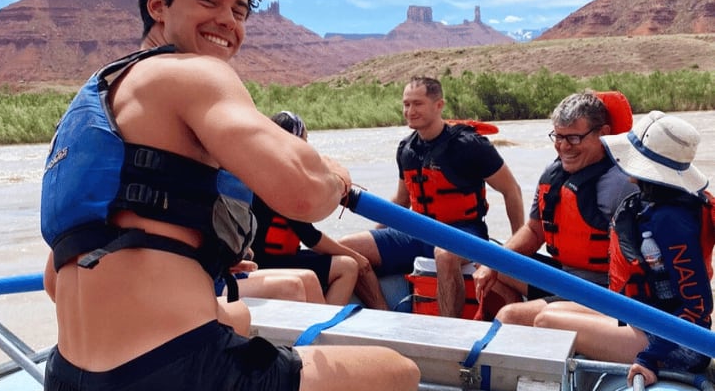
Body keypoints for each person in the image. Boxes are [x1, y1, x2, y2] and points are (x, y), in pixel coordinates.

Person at [39, 0, 420, 391]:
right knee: (399, 374)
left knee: (236, 318)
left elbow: (55, 279)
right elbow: (303, 193)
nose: (228, 20)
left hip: (69, 389)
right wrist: (336, 178)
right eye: (208, 0)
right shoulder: (194, 73)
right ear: (157, 4)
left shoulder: (96, 101)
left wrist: (187, 260)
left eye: (239, 10)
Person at [534, 111, 714, 386]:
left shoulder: (670, 220)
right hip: (646, 319)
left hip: (677, 344)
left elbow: (698, 305)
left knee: (546, 323)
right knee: (545, 314)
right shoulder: (654, 205)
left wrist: (649, 358)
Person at [340, 76, 525, 318]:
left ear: (439, 105)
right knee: (346, 247)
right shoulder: (406, 149)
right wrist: (377, 233)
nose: (409, 111)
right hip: (418, 232)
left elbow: (511, 190)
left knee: (445, 254)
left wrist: (516, 249)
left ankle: (449, 328)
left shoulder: (469, 145)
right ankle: (383, 314)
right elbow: (401, 201)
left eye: (417, 104)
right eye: (406, 104)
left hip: (465, 231)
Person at [473, 91, 638, 326]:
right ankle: (525, 319)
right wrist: (493, 262)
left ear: (603, 134)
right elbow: (533, 231)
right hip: (563, 277)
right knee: (487, 265)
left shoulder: (621, 185)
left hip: (601, 291)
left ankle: (525, 323)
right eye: (558, 137)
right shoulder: (552, 175)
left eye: (573, 138)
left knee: (509, 316)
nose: (563, 147)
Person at [248, 111, 369, 305]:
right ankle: (326, 327)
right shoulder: (286, 181)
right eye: (305, 139)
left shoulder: (258, 172)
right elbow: (311, 238)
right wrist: (354, 256)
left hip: (263, 259)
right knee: (347, 266)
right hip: (269, 262)